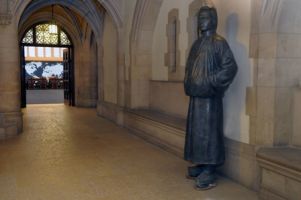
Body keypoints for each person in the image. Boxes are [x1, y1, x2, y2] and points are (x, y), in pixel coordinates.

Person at [184, 5, 237, 190]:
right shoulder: (196, 44)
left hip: (210, 100)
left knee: (208, 133)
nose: (201, 21)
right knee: (197, 132)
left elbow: (230, 68)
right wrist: (189, 82)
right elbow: (189, 68)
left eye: (205, 17)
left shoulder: (219, 42)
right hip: (196, 98)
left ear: (213, 20)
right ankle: (201, 164)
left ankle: (210, 168)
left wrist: (210, 82)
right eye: (200, 18)